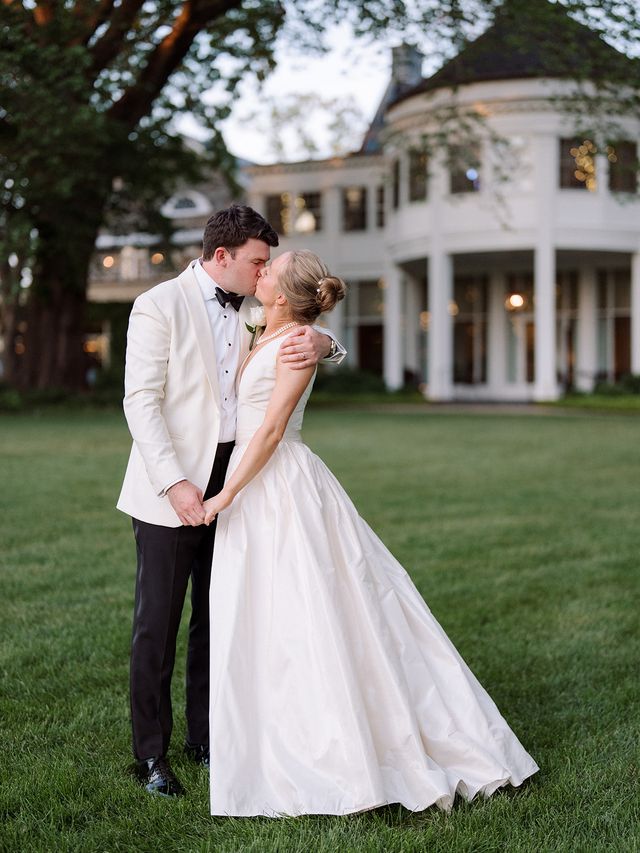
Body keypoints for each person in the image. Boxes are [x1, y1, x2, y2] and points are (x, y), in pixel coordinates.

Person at [203, 250, 539, 817]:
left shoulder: (295, 344)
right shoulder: (263, 327)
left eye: (268, 270)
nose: (257, 273)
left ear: (283, 294)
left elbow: (272, 429)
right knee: (261, 610)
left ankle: (341, 748)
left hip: (278, 481)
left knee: (312, 607)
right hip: (253, 480)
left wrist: (225, 495)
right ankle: (267, 732)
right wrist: (331, 341)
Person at [117, 206, 345, 798]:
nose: (263, 270)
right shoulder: (158, 304)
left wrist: (325, 342)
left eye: (267, 263)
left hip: (243, 484)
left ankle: (208, 738)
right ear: (222, 257)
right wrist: (175, 482)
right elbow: (140, 402)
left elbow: (301, 323)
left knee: (221, 617)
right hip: (172, 486)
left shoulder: (254, 306)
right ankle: (152, 757)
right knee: (157, 623)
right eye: (256, 261)